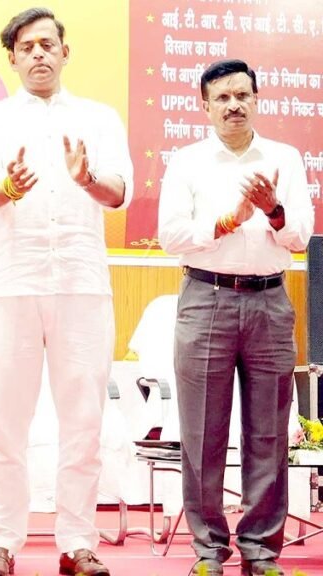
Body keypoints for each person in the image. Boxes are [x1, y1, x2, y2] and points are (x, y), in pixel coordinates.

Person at [0, 8, 133, 576]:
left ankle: (78, 543)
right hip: (10, 283)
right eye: (27, 46)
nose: (38, 53)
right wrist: (7, 187)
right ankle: (1, 542)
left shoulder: (98, 118)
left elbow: (119, 192)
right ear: (12, 58)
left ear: (64, 52)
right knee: (4, 423)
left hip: (81, 284)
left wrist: (87, 179)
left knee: (83, 422)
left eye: (47, 44)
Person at [158, 59, 314, 576]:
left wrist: (273, 210)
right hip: (206, 298)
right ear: (205, 106)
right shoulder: (187, 162)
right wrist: (226, 221)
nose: (233, 106)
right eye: (222, 98)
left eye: (242, 95)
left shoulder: (285, 158)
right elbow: (171, 236)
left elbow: (299, 236)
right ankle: (209, 551)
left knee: (269, 431)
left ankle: (261, 551)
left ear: (256, 100)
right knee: (202, 432)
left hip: (270, 300)